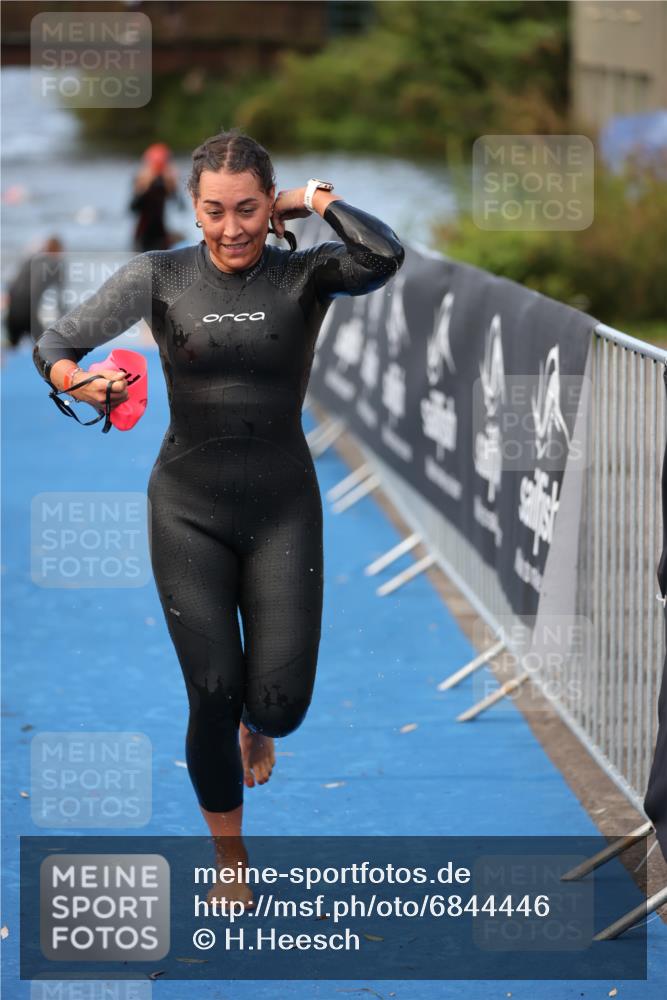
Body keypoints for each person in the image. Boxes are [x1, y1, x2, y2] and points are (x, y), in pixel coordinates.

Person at [32, 128, 405, 905]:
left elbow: (382, 257)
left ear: (270, 206)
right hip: (187, 508)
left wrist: (314, 200)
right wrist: (75, 377)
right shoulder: (159, 275)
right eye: (213, 211)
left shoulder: (306, 275)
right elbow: (60, 335)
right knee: (211, 689)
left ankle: (256, 722)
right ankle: (230, 857)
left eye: (247, 209)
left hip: (283, 509)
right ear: (191, 209)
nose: (231, 228)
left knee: (278, 706)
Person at [4, 236, 65, 348]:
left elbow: (12, 283)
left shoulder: (31, 260)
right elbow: (60, 297)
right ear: (59, 250)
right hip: (28, 310)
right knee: (44, 347)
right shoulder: (56, 265)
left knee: (12, 346)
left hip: (12, 307)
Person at [129, 142, 182, 252]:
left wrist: (173, 187)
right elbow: (132, 208)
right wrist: (142, 189)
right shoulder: (141, 180)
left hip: (161, 234)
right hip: (142, 236)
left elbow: (181, 207)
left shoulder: (166, 181)